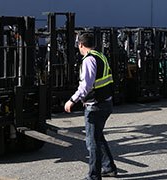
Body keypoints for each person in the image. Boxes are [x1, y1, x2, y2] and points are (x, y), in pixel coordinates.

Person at [64, 33, 117, 180]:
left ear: (81, 45)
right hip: (106, 102)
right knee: (98, 137)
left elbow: (85, 86)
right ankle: (109, 168)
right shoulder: (101, 56)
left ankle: (94, 176)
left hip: (95, 105)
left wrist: (72, 100)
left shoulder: (88, 60)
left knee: (92, 142)